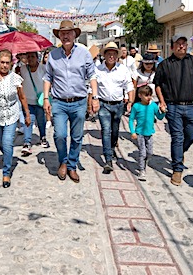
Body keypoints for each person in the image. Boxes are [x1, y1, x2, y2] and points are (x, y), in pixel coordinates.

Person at [154, 35, 193, 186]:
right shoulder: (165, 65)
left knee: (191, 135)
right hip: (173, 106)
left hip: (191, 105)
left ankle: (179, 153)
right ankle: (177, 169)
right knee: (177, 137)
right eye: (178, 44)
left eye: (184, 43)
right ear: (172, 47)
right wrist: (162, 102)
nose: (181, 46)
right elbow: (158, 85)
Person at [43, 20, 98, 183]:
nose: (65, 36)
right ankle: (63, 161)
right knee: (59, 135)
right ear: (59, 36)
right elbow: (47, 77)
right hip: (59, 102)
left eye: (69, 33)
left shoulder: (84, 53)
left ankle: (72, 165)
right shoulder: (53, 55)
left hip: (79, 102)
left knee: (77, 136)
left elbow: (92, 75)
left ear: (75, 35)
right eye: (62, 33)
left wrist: (95, 97)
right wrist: (46, 98)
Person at [0, 49, 31, 188]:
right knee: (2, 143)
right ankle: (8, 156)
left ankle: (6, 172)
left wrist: (27, 114)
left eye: (7, 63)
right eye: (2, 62)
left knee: (8, 142)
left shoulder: (15, 78)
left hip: (11, 115)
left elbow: (22, 97)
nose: (4, 65)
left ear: (11, 64)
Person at [94, 42, 135, 173]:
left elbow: (129, 85)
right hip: (103, 105)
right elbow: (91, 88)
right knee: (106, 130)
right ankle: (108, 159)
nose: (111, 56)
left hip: (118, 105)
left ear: (117, 56)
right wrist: (92, 103)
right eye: (108, 54)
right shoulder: (98, 69)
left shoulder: (123, 69)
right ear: (104, 55)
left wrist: (130, 101)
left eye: (114, 54)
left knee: (115, 130)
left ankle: (112, 148)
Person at [130, 85, 165, 181]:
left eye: (150, 95)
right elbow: (131, 119)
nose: (148, 97)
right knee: (143, 152)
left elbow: (159, 117)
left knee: (150, 152)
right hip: (140, 133)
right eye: (146, 95)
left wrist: (163, 111)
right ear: (140, 95)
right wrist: (133, 132)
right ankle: (142, 171)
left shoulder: (153, 105)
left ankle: (145, 163)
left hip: (149, 133)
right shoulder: (136, 106)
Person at [18, 51, 50, 155]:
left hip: (40, 101)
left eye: (33, 56)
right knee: (29, 121)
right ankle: (27, 142)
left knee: (41, 120)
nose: (30, 59)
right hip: (28, 101)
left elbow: (48, 81)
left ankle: (43, 137)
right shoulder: (22, 69)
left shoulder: (43, 68)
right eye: (28, 57)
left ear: (37, 57)